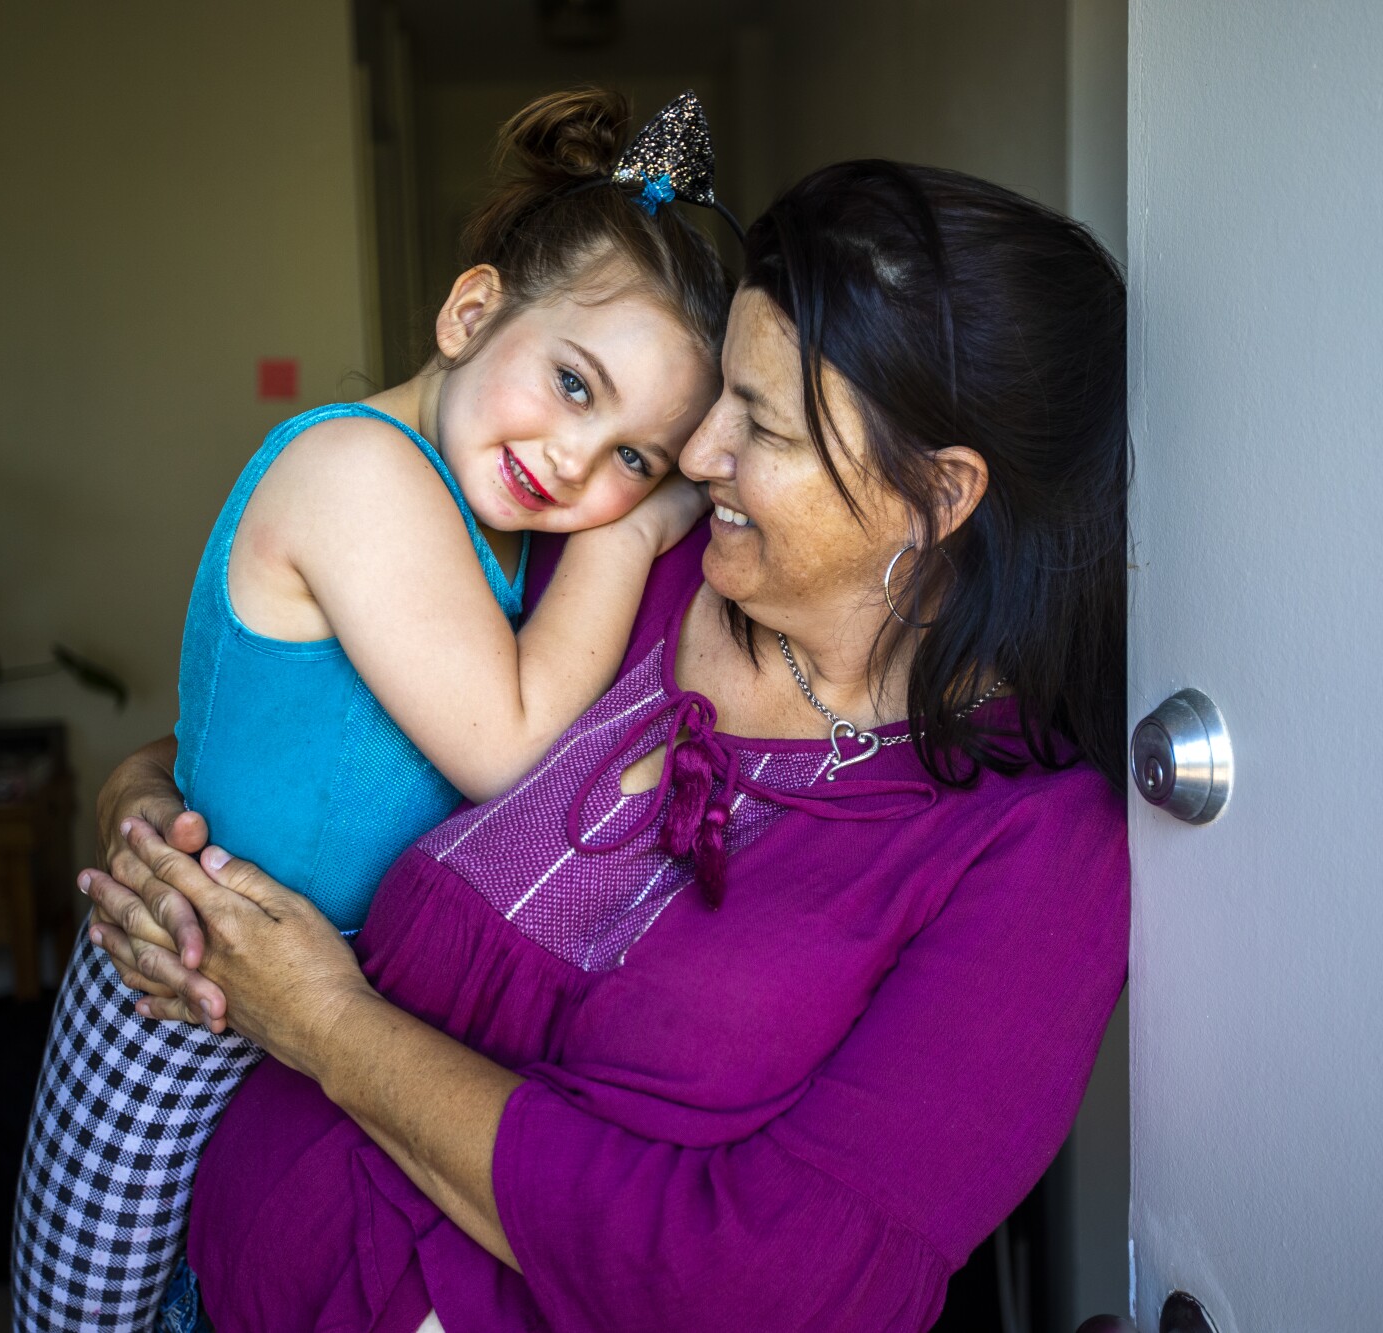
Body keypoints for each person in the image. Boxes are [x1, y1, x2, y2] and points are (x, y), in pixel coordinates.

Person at [72, 159, 1129, 1332]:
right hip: (216, 1279)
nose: (694, 455)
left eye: (759, 424)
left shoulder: (1030, 848)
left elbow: (770, 1281)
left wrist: (324, 1025)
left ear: (933, 496)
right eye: (718, 394)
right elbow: (315, 713)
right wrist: (143, 807)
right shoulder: (644, 570)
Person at [12, 88, 736, 1332]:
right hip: (167, 1005)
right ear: (470, 312)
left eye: (635, 457)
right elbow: (508, 741)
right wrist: (643, 534)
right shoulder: (358, 471)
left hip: (290, 998)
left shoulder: (487, 508)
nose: (578, 463)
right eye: (572, 383)